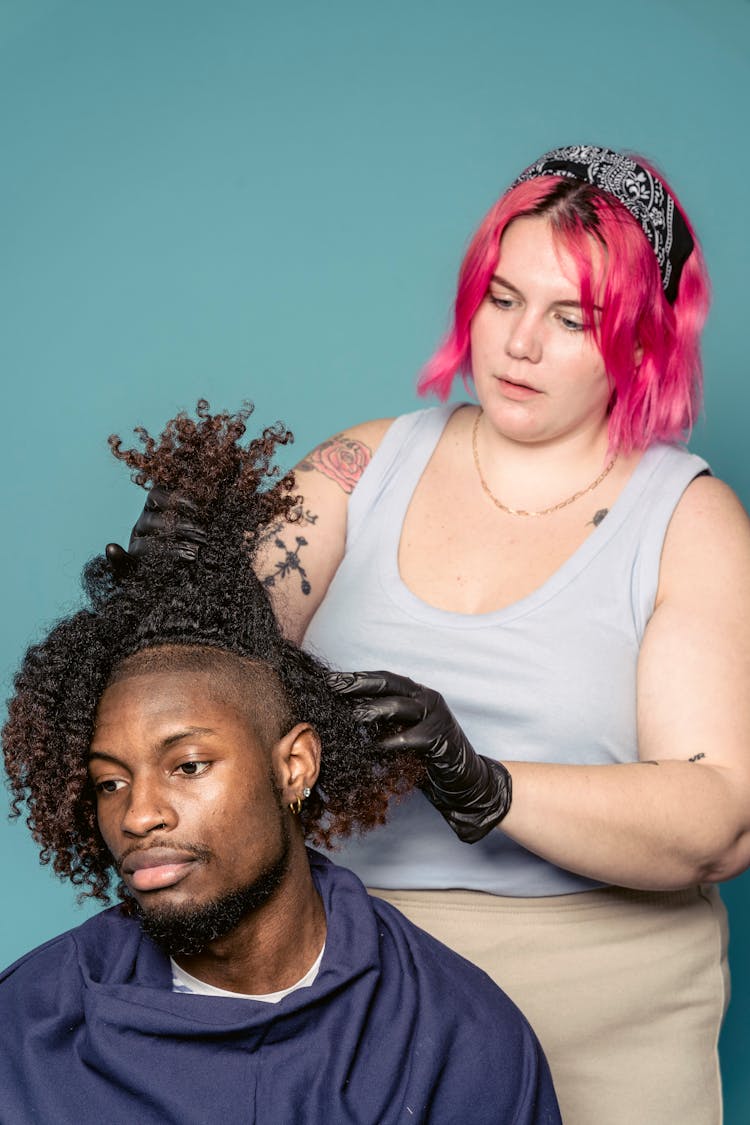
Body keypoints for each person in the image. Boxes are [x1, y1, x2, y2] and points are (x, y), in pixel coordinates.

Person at [106, 145, 750, 1124]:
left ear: (641, 339)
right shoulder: (359, 468)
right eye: (503, 299)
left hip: (601, 1012)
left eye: (570, 319)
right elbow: (212, 679)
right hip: (351, 997)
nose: (520, 344)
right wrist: (172, 594)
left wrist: (483, 782)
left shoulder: (691, 523)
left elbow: (719, 816)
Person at [1, 404, 561, 1125]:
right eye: (111, 780)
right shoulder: (27, 1030)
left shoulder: (459, 1037)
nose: (138, 814)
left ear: (295, 765)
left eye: (190, 765)